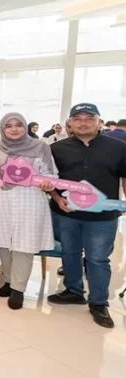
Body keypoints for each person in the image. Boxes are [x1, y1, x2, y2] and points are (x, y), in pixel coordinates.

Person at [47, 103, 126, 329]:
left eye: (89, 118)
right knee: (69, 253)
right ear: (70, 123)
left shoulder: (118, 147)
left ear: (99, 121)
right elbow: (49, 178)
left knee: (98, 259)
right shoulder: (57, 148)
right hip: (66, 212)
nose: (83, 122)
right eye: (77, 118)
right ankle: (73, 291)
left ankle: (99, 302)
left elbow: (125, 177)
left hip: (103, 216)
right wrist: (56, 197)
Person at [0, 113, 57, 309]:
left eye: (18, 125)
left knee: (23, 244)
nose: (14, 129)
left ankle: (18, 289)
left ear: (25, 126)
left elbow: (51, 174)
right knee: (4, 242)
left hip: (29, 199)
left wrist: (47, 183)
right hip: (1, 199)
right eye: (9, 126)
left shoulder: (41, 147)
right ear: (3, 128)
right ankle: (8, 280)